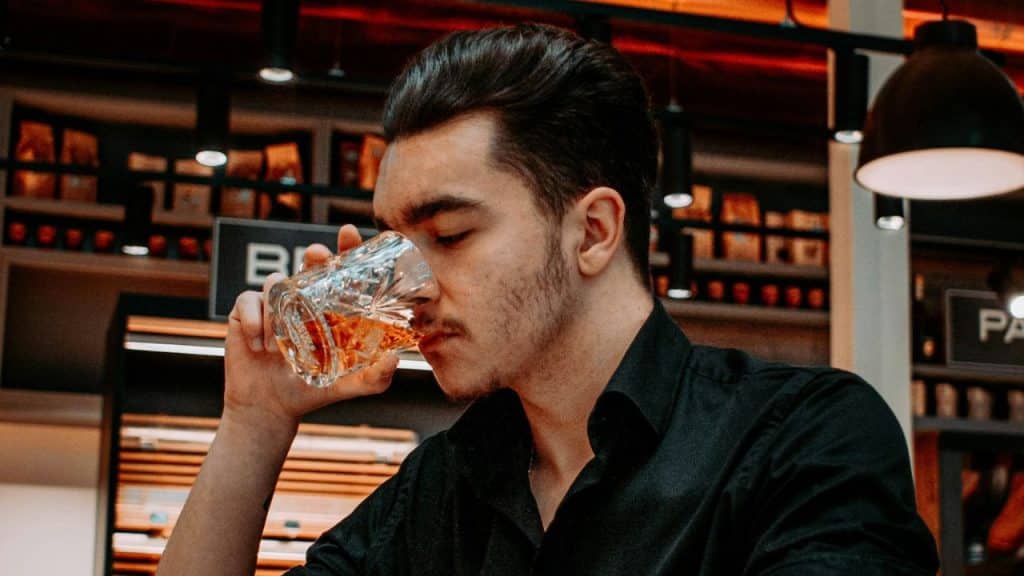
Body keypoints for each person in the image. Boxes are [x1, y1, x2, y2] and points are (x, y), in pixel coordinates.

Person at [157, 23, 939, 575]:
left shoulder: (800, 439)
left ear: (593, 231)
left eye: (452, 235)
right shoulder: (444, 488)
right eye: (395, 242)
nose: (410, 285)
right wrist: (253, 423)